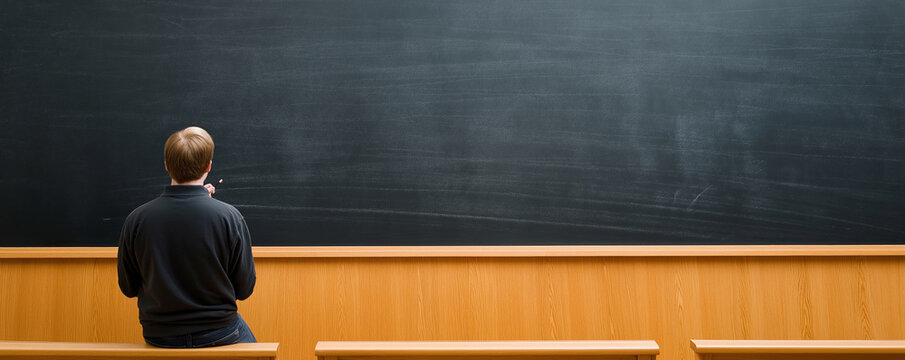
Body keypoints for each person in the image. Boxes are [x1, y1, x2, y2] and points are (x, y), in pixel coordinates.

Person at [117, 126, 257, 348]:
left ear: (166, 165)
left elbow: (128, 288)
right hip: (218, 332)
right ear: (208, 166)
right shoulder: (229, 218)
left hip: (159, 335)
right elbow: (244, 289)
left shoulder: (137, 220)